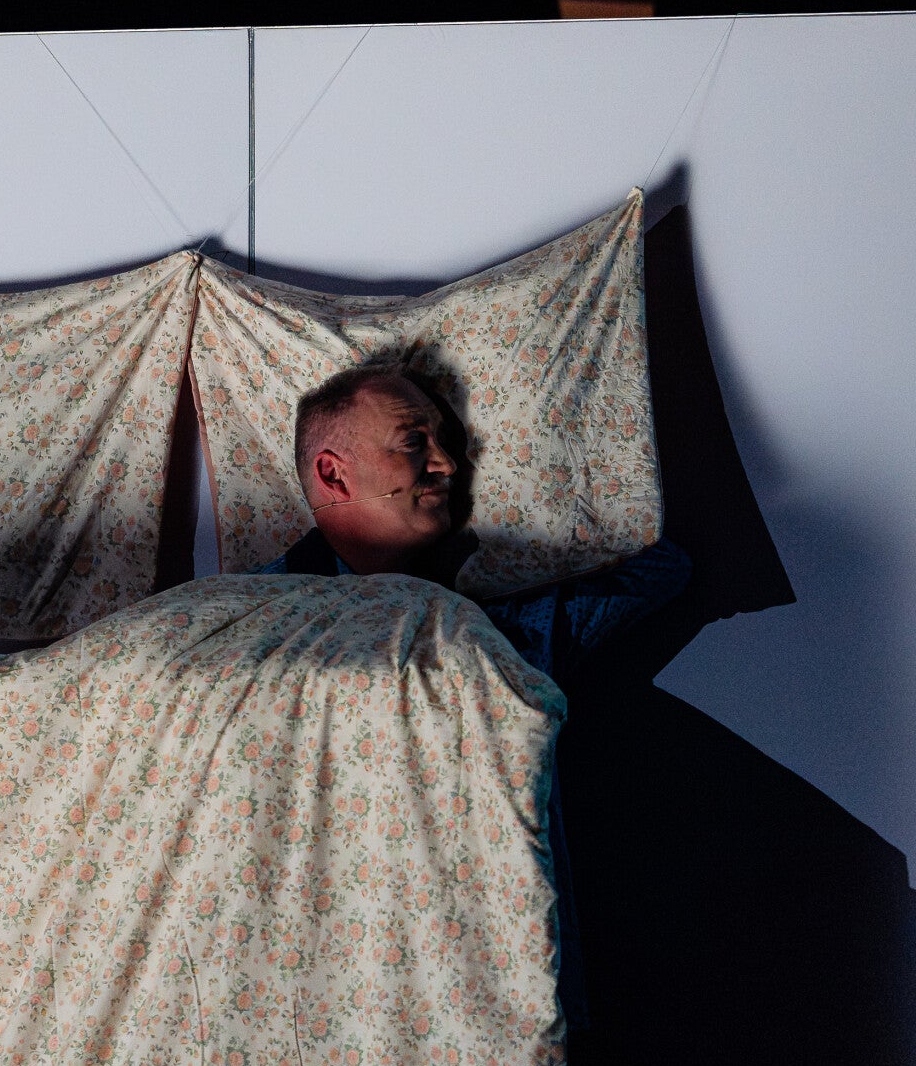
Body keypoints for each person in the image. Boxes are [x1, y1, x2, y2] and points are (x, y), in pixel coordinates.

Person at [252, 362, 690, 1031]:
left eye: (446, 441)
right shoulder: (248, 623)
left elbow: (664, 563)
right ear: (334, 475)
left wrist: (507, 548)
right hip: (316, 992)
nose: (447, 464)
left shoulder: (496, 628)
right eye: (413, 442)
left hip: (486, 996)